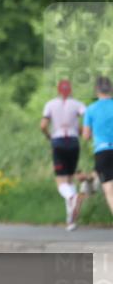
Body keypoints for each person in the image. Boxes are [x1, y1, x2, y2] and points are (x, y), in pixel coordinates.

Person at [41, 79, 87, 229]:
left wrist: (49, 136)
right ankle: (71, 220)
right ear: (71, 90)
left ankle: (71, 197)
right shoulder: (78, 104)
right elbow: (86, 120)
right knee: (69, 179)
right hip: (73, 142)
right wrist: (80, 131)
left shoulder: (50, 104)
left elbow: (43, 125)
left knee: (61, 182)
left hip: (58, 141)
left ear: (58, 90)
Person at [82, 75, 113, 229]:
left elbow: (86, 136)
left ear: (96, 90)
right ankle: (89, 179)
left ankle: (88, 181)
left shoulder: (91, 109)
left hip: (102, 150)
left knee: (109, 190)